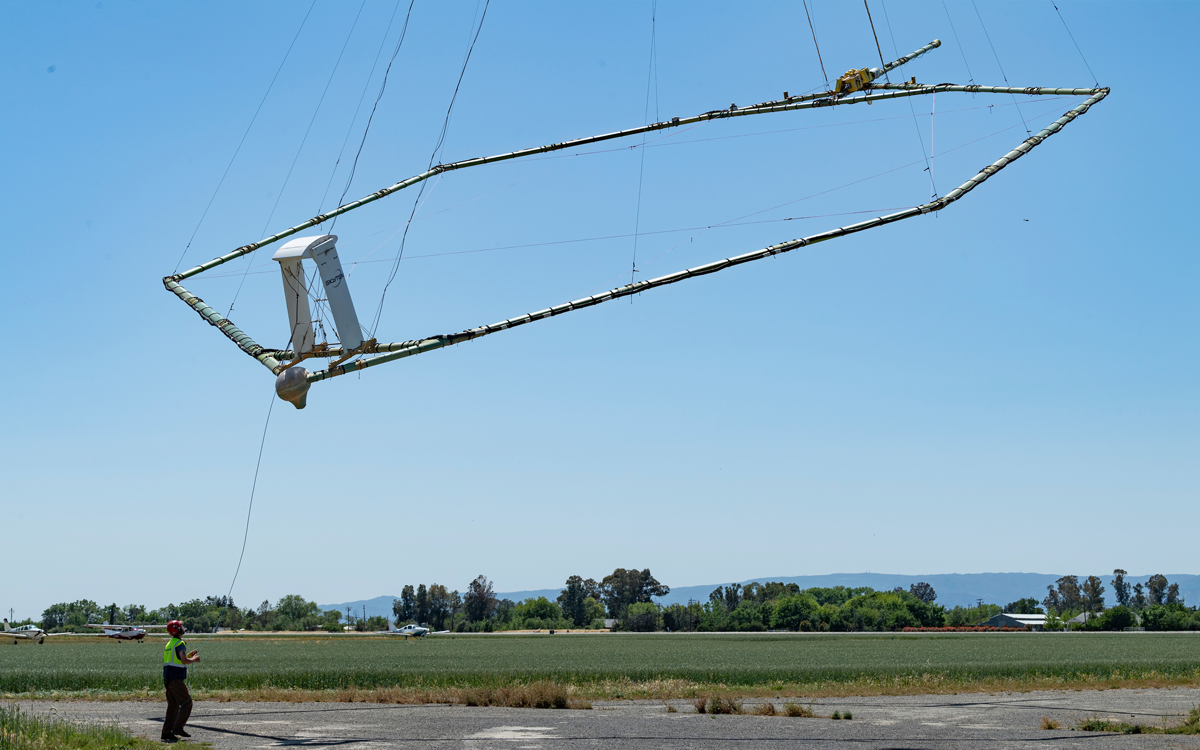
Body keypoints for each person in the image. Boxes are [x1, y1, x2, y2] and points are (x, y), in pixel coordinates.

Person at [162, 620, 200, 742]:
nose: (183, 628)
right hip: (176, 679)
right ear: (178, 630)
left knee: (173, 706)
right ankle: (178, 728)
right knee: (187, 702)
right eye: (181, 626)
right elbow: (183, 661)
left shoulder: (170, 644)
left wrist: (189, 655)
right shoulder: (180, 643)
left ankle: (166, 733)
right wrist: (194, 659)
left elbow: (179, 659)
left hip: (168, 679)